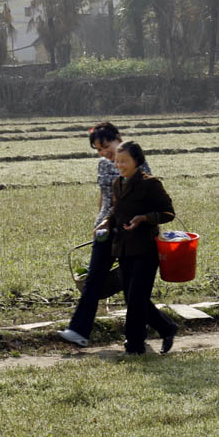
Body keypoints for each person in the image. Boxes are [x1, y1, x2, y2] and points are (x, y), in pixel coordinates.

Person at [57, 122, 150, 348]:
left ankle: (149, 330)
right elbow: (104, 195)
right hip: (105, 229)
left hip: (128, 233)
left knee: (131, 287)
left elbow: (144, 199)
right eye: (98, 149)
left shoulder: (138, 164)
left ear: (118, 138)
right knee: (93, 280)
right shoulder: (102, 164)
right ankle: (78, 331)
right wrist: (100, 221)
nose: (104, 153)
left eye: (106, 146)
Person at [108, 140, 178, 355]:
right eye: (117, 161)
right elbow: (116, 211)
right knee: (132, 298)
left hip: (146, 250)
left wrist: (144, 218)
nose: (120, 165)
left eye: (124, 161)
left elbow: (168, 213)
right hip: (124, 250)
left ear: (137, 161)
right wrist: (106, 222)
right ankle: (167, 327)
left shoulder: (150, 184)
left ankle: (134, 345)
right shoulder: (117, 184)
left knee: (137, 298)